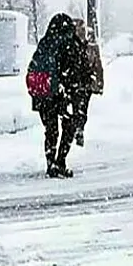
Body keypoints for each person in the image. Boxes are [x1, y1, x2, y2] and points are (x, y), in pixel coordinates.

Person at [25, 13, 83, 178]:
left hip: (43, 93)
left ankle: (50, 163)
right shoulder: (70, 43)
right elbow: (74, 70)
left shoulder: (45, 42)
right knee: (69, 126)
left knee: (50, 130)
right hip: (62, 93)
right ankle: (60, 161)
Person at [72, 18, 104, 147]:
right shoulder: (77, 46)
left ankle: (78, 127)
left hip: (81, 82)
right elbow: (97, 65)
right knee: (81, 107)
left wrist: (99, 83)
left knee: (80, 106)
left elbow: (97, 65)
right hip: (81, 82)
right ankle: (78, 127)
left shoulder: (88, 46)